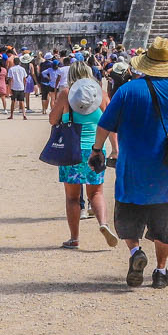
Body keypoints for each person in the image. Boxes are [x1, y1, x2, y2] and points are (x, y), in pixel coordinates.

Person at [91, 36, 168, 289]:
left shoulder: (128, 90)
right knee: (165, 224)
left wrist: (96, 150)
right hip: (167, 168)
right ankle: (161, 271)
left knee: (128, 217)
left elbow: (104, 125)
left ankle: (135, 252)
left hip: (132, 167)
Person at [53, 61, 118, 249]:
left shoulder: (66, 94)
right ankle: (103, 223)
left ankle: (74, 238)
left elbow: (52, 119)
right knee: (96, 192)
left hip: (71, 150)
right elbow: (112, 124)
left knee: (72, 197)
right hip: (95, 149)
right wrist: (115, 149)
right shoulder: (102, 95)